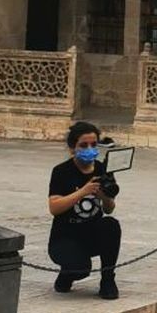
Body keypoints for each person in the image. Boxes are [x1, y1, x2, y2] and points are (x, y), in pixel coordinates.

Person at [48, 120, 121, 296]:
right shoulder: (61, 171)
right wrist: (83, 191)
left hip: (91, 232)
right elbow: (54, 208)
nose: (90, 149)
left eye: (94, 145)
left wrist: (104, 197)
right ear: (73, 148)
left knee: (111, 225)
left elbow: (109, 209)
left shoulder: (102, 168)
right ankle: (67, 275)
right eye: (83, 145)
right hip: (65, 236)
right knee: (81, 269)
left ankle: (108, 279)